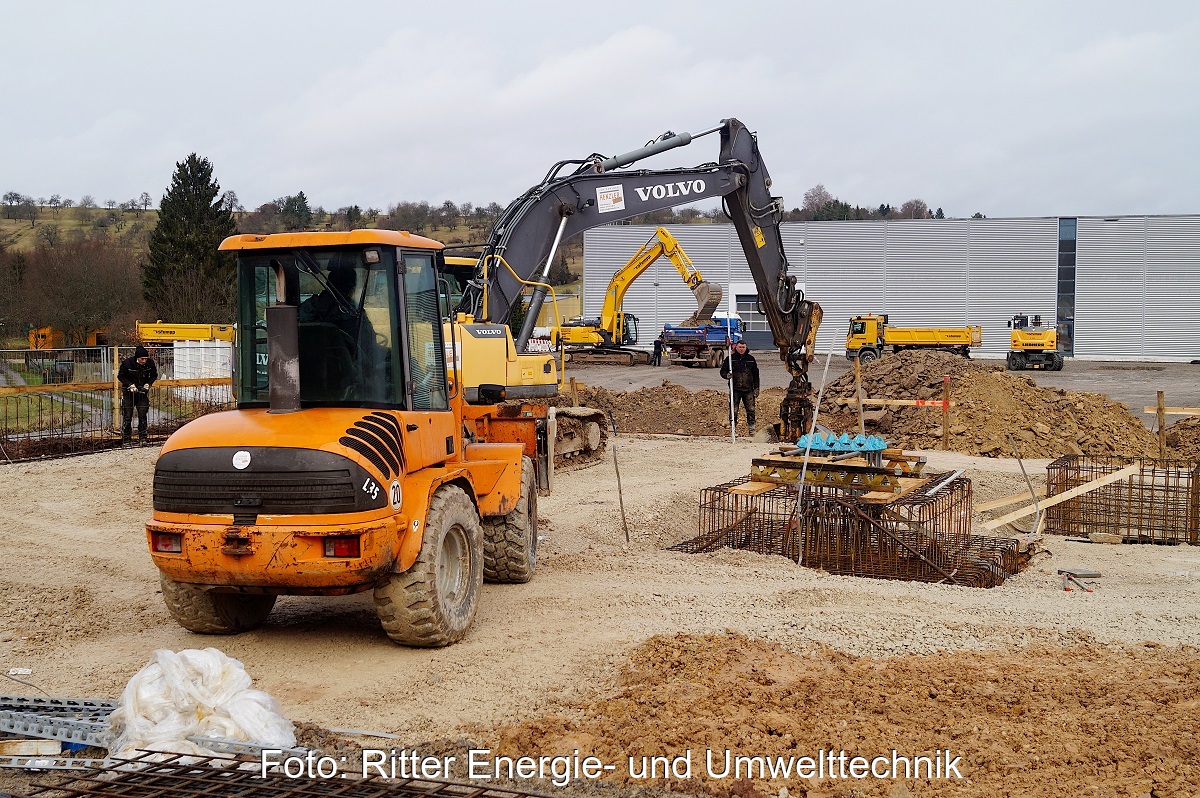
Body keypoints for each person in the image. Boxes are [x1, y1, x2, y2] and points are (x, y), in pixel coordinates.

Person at [118, 345, 158, 445]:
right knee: (127, 416)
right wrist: (130, 385)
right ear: (137, 358)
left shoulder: (150, 364)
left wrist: (148, 384)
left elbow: (154, 375)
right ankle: (126, 439)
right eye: (142, 359)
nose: (144, 361)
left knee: (142, 415)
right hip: (129, 393)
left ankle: (143, 438)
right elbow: (121, 376)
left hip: (142, 393)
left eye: (145, 358)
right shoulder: (127, 363)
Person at [719, 339, 760, 433]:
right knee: (734, 411)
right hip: (735, 390)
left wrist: (757, 388)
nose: (741, 349)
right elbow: (722, 371)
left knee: (751, 410)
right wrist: (727, 375)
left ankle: (752, 429)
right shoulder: (730, 359)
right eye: (740, 347)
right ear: (736, 347)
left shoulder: (751, 359)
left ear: (746, 348)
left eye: (743, 347)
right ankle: (733, 429)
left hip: (748, 389)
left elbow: (756, 374)